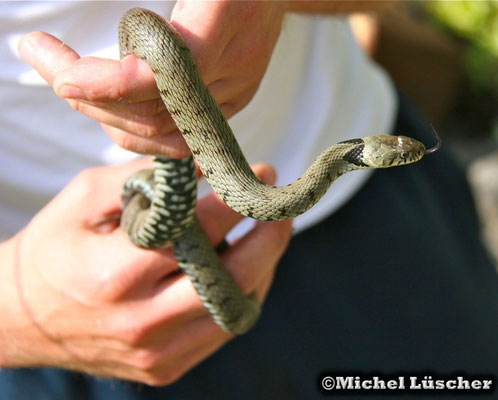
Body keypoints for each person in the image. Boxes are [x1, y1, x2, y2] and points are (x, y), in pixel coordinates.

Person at [1, 1, 497, 399]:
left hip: (373, 220)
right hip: (74, 333)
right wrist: (19, 318)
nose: (410, 155)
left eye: (402, 156)